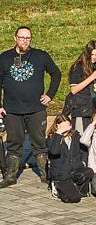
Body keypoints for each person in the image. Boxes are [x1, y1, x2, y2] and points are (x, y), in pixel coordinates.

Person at [0, 26, 61, 188]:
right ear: (15, 38)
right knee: (14, 143)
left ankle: (45, 174)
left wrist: (50, 95)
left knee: (39, 142)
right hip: (12, 110)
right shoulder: (4, 58)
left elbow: (56, 74)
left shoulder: (40, 56)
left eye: (27, 38)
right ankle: (10, 176)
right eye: (21, 37)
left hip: (36, 109)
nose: (24, 41)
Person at [46, 114, 93, 203]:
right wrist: (58, 134)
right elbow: (54, 151)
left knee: (89, 172)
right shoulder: (52, 138)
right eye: (62, 126)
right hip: (61, 174)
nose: (65, 128)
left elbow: (83, 151)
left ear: (70, 125)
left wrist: (82, 162)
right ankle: (58, 188)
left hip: (74, 170)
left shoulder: (75, 136)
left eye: (67, 125)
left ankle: (74, 189)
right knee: (75, 198)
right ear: (57, 126)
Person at [66, 40, 96, 132]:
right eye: (92, 54)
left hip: (92, 108)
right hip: (80, 109)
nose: (94, 57)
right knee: (81, 139)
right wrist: (92, 77)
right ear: (87, 53)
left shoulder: (94, 66)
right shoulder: (77, 67)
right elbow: (74, 90)